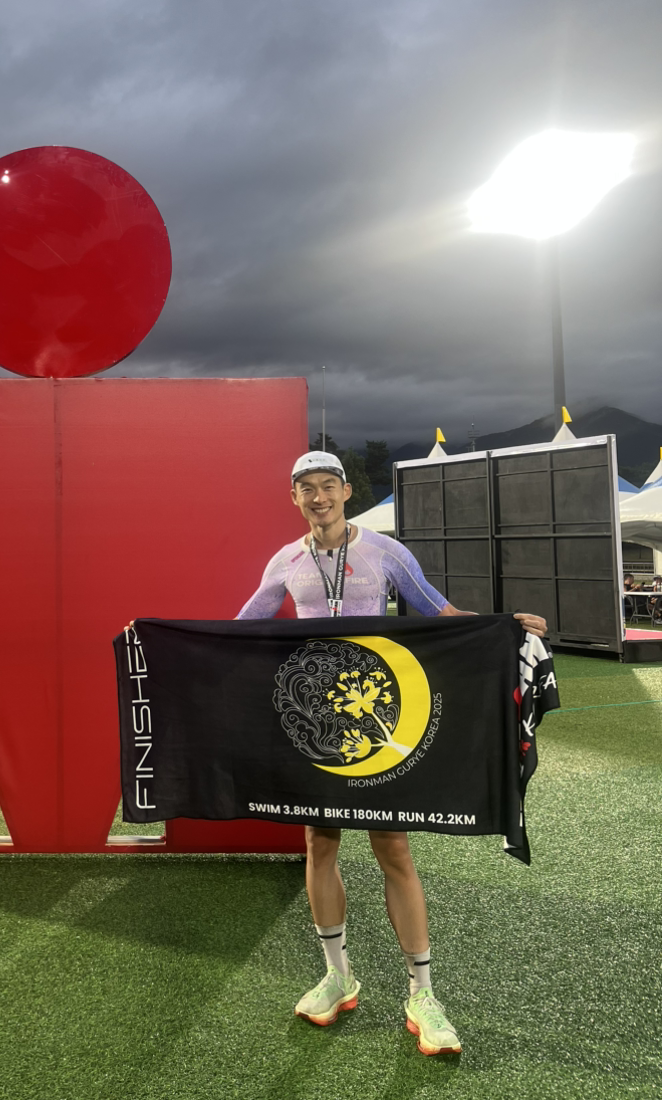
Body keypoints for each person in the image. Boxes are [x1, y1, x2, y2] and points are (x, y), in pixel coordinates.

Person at [236, 451, 548, 1057]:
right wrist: (168, 641)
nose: (319, 497)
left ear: (346, 491)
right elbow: (244, 624)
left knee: (394, 848)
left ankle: (422, 994)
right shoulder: (286, 560)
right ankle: (338, 977)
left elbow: (439, 611)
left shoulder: (385, 551)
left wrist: (503, 625)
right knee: (319, 844)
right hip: (318, 726)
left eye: (328, 486)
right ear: (293, 497)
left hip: (376, 716)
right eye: (307, 488)